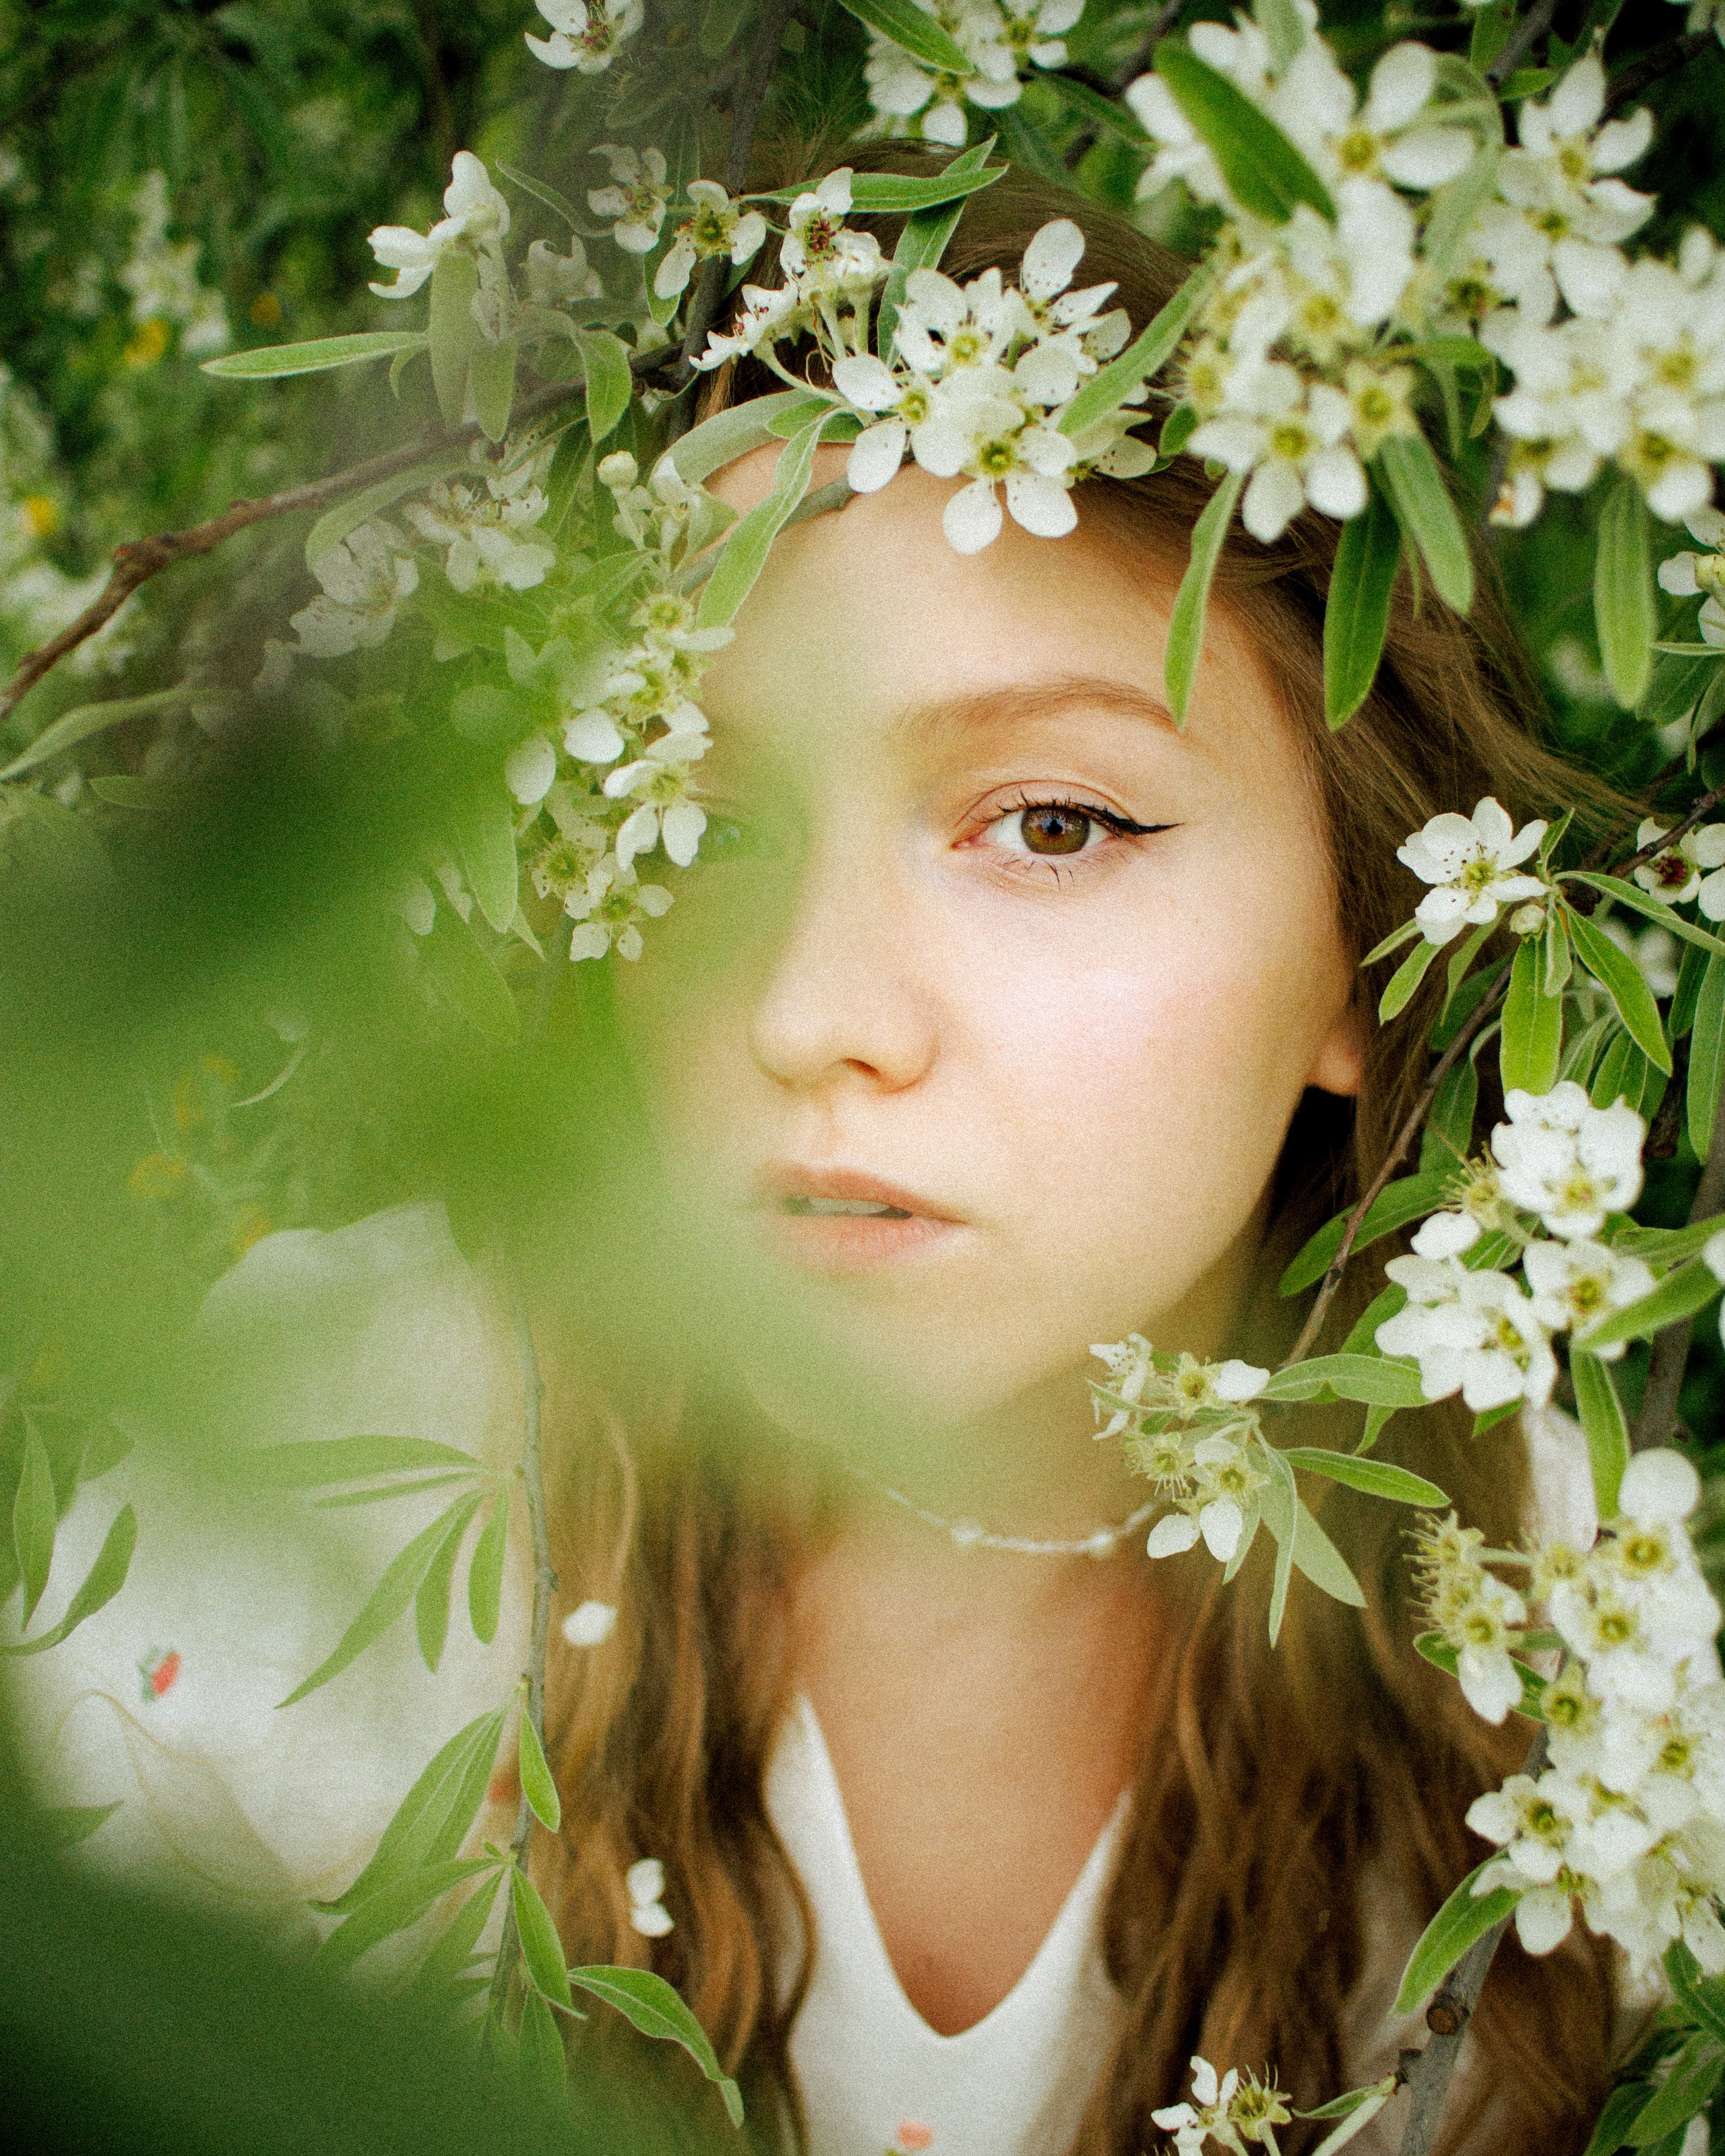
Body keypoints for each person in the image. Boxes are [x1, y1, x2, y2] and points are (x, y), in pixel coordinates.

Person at [518, 160, 1621, 2156]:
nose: (806, 1011)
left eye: (1049, 826)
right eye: (707, 827)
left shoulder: (1590, 1651)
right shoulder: (301, 1519)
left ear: (1378, 941)